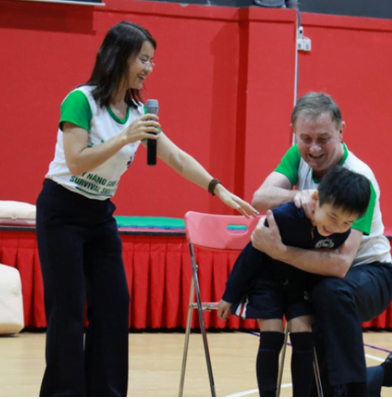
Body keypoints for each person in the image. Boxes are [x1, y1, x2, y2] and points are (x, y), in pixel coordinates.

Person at [35, 21, 258, 397]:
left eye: (152, 61)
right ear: (118, 55)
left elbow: (176, 157)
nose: (148, 68)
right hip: (62, 212)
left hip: (99, 216)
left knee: (114, 303)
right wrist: (125, 136)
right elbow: (75, 162)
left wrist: (218, 188)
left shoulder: (138, 110)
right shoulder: (81, 100)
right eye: (143, 58)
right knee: (69, 312)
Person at [249, 92, 392, 397]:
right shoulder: (297, 156)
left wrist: (279, 251)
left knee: (329, 291)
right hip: (319, 276)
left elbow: (341, 264)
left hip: (370, 274)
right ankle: (390, 372)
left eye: (323, 138)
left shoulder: (360, 180)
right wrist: (297, 195)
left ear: (341, 131)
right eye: (305, 138)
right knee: (321, 385)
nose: (314, 148)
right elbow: (259, 198)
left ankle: (356, 391)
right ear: (295, 134)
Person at [218, 166, 371, 397]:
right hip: (266, 281)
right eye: (332, 217)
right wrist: (230, 295)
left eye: (347, 223)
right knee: (272, 332)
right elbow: (251, 255)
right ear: (316, 198)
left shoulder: (340, 233)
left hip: (299, 284)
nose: (336, 227)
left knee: (303, 332)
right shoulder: (283, 217)